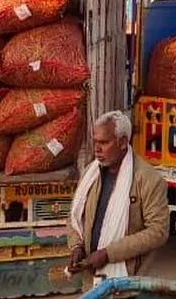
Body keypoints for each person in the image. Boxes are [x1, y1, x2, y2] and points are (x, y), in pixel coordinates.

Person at [67, 111, 169, 281]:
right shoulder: (90, 174)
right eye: (95, 142)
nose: (97, 149)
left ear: (122, 142)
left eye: (104, 142)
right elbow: (74, 216)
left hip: (127, 283)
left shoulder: (147, 179)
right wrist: (76, 247)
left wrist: (108, 254)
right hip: (91, 281)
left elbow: (158, 231)